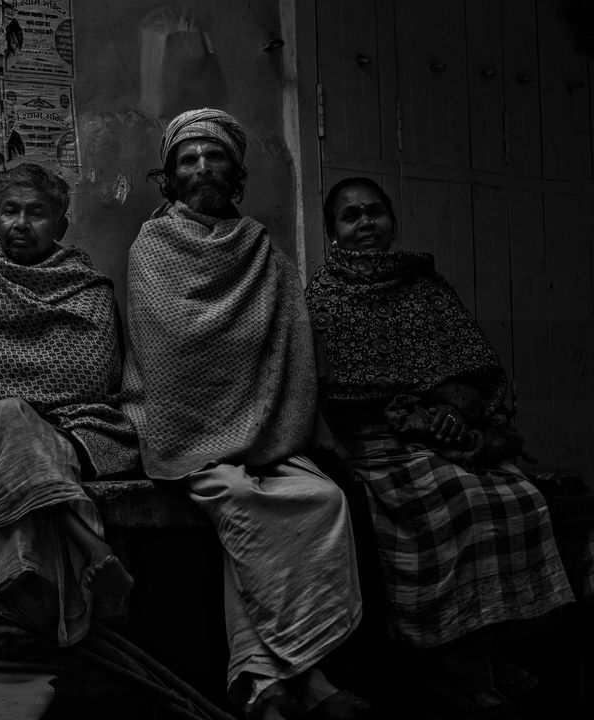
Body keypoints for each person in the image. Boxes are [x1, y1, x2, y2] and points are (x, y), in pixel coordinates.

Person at [305, 177, 591, 719]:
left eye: (375, 212)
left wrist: (455, 415)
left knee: (519, 496)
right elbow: (335, 395)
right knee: (459, 501)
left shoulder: (425, 285)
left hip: (446, 434)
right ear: (333, 232)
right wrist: (412, 418)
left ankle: (477, 657)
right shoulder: (324, 296)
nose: (365, 223)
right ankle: (457, 668)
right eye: (351, 216)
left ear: (391, 221)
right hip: (377, 442)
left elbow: (475, 370)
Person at [121, 109, 373, 719]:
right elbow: (175, 350)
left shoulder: (268, 253)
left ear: (236, 172)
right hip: (183, 430)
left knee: (322, 500)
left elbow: (290, 351)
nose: (202, 167)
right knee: (239, 493)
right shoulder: (152, 249)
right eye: (188, 159)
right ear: (171, 177)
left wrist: (261, 425)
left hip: (267, 431)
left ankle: (261, 682)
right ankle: (308, 680)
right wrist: (227, 419)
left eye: (215, 157)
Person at [0, 163, 140, 679]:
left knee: (26, 432)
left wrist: (8, 386)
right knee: (13, 418)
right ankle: (88, 544)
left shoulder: (88, 290)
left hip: (73, 431)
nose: (20, 223)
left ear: (60, 224)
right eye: (9, 211)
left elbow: (91, 377)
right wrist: (19, 398)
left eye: (36, 213)